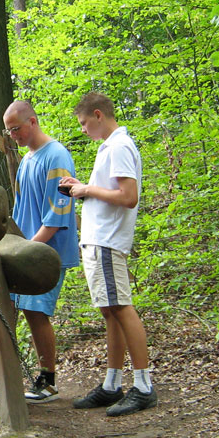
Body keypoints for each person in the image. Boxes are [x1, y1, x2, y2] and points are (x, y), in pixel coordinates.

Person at [59, 92, 155, 416]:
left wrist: (86, 190)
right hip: (98, 241)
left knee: (122, 308)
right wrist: (83, 186)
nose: (83, 129)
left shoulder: (119, 146)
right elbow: (111, 192)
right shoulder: (109, 148)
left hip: (107, 242)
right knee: (110, 311)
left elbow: (128, 196)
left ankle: (143, 386)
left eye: (84, 123)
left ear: (98, 115)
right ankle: (112, 383)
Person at [2, 100, 79, 403]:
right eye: (8, 132)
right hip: (27, 249)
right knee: (24, 310)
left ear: (32, 122)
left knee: (37, 311)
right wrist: (12, 244)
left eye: (16, 129)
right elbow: (20, 210)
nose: (13, 136)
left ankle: (48, 382)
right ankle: (29, 377)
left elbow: (59, 213)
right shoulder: (26, 160)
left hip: (47, 252)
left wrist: (31, 248)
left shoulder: (57, 156)